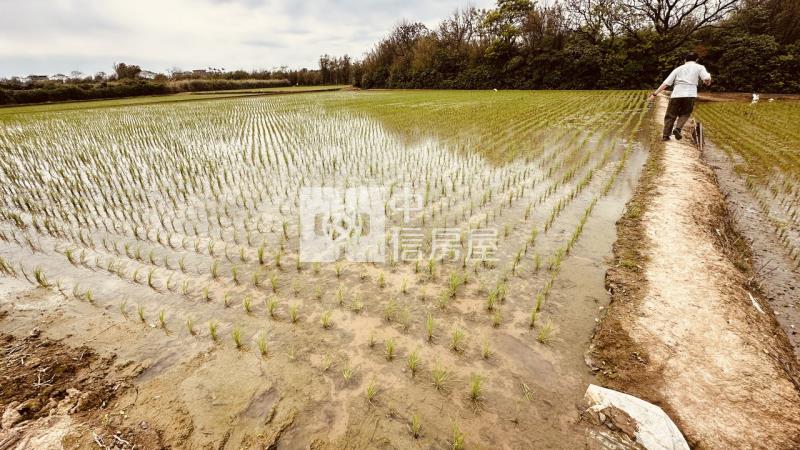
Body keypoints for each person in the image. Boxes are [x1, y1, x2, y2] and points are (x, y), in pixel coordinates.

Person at [650, 52, 712, 141]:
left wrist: (654, 94)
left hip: (676, 94)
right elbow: (706, 79)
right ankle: (678, 128)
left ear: (685, 60)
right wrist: (708, 81)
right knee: (685, 113)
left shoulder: (678, 69)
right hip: (690, 95)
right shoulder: (700, 67)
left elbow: (666, 83)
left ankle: (665, 136)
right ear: (697, 60)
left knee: (670, 115)